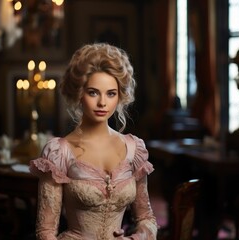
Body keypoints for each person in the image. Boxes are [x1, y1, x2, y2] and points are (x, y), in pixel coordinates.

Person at [29, 43, 158, 239]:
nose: (102, 103)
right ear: (79, 94)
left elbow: (147, 218)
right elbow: (45, 232)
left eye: (111, 94)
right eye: (93, 92)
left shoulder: (134, 149)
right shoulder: (59, 152)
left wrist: (136, 238)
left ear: (120, 96)